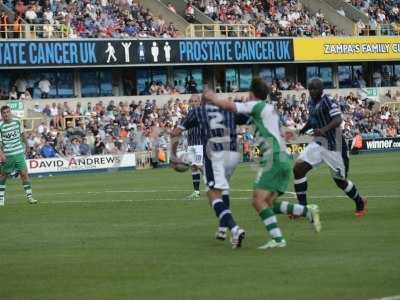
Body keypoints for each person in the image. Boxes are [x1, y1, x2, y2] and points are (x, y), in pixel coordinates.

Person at [204, 78, 321, 249]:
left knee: (258, 201)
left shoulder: (256, 105)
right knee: (269, 203)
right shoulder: (269, 109)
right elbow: (279, 130)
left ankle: (278, 239)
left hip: (272, 157)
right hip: (283, 158)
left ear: (251, 93)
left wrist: (212, 97)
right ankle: (306, 211)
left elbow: (231, 107)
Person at [171, 94, 249, 248]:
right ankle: (222, 228)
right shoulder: (227, 109)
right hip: (233, 154)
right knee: (222, 189)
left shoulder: (198, 112)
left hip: (215, 154)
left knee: (212, 194)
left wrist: (173, 156)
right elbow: (250, 120)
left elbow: (175, 133)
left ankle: (234, 229)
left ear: (202, 102)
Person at [293, 78, 367, 217]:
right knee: (298, 169)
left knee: (340, 181)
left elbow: (338, 119)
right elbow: (313, 118)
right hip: (319, 143)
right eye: (310, 89)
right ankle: (302, 208)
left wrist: (323, 130)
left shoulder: (328, 101)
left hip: (335, 146)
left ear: (321, 89)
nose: (311, 91)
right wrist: (305, 127)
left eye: (314, 89)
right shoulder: (311, 102)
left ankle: (360, 201)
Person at [0, 105, 37, 206]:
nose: (6, 114)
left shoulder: (17, 121)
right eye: (4, 113)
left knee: (24, 174)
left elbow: (22, 134)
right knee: (3, 176)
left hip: (19, 153)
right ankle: (1, 198)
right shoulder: (0, 126)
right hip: (7, 155)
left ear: (10, 112)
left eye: (8, 112)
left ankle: (30, 197)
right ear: (1, 115)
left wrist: (27, 145)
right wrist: (1, 154)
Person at [185, 95, 203, 200]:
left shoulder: (200, 112)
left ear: (200, 102)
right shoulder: (190, 112)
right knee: (194, 167)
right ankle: (196, 191)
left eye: (196, 101)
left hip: (199, 143)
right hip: (191, 143)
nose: (194, 102)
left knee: (199, 165)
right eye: (192, 101)